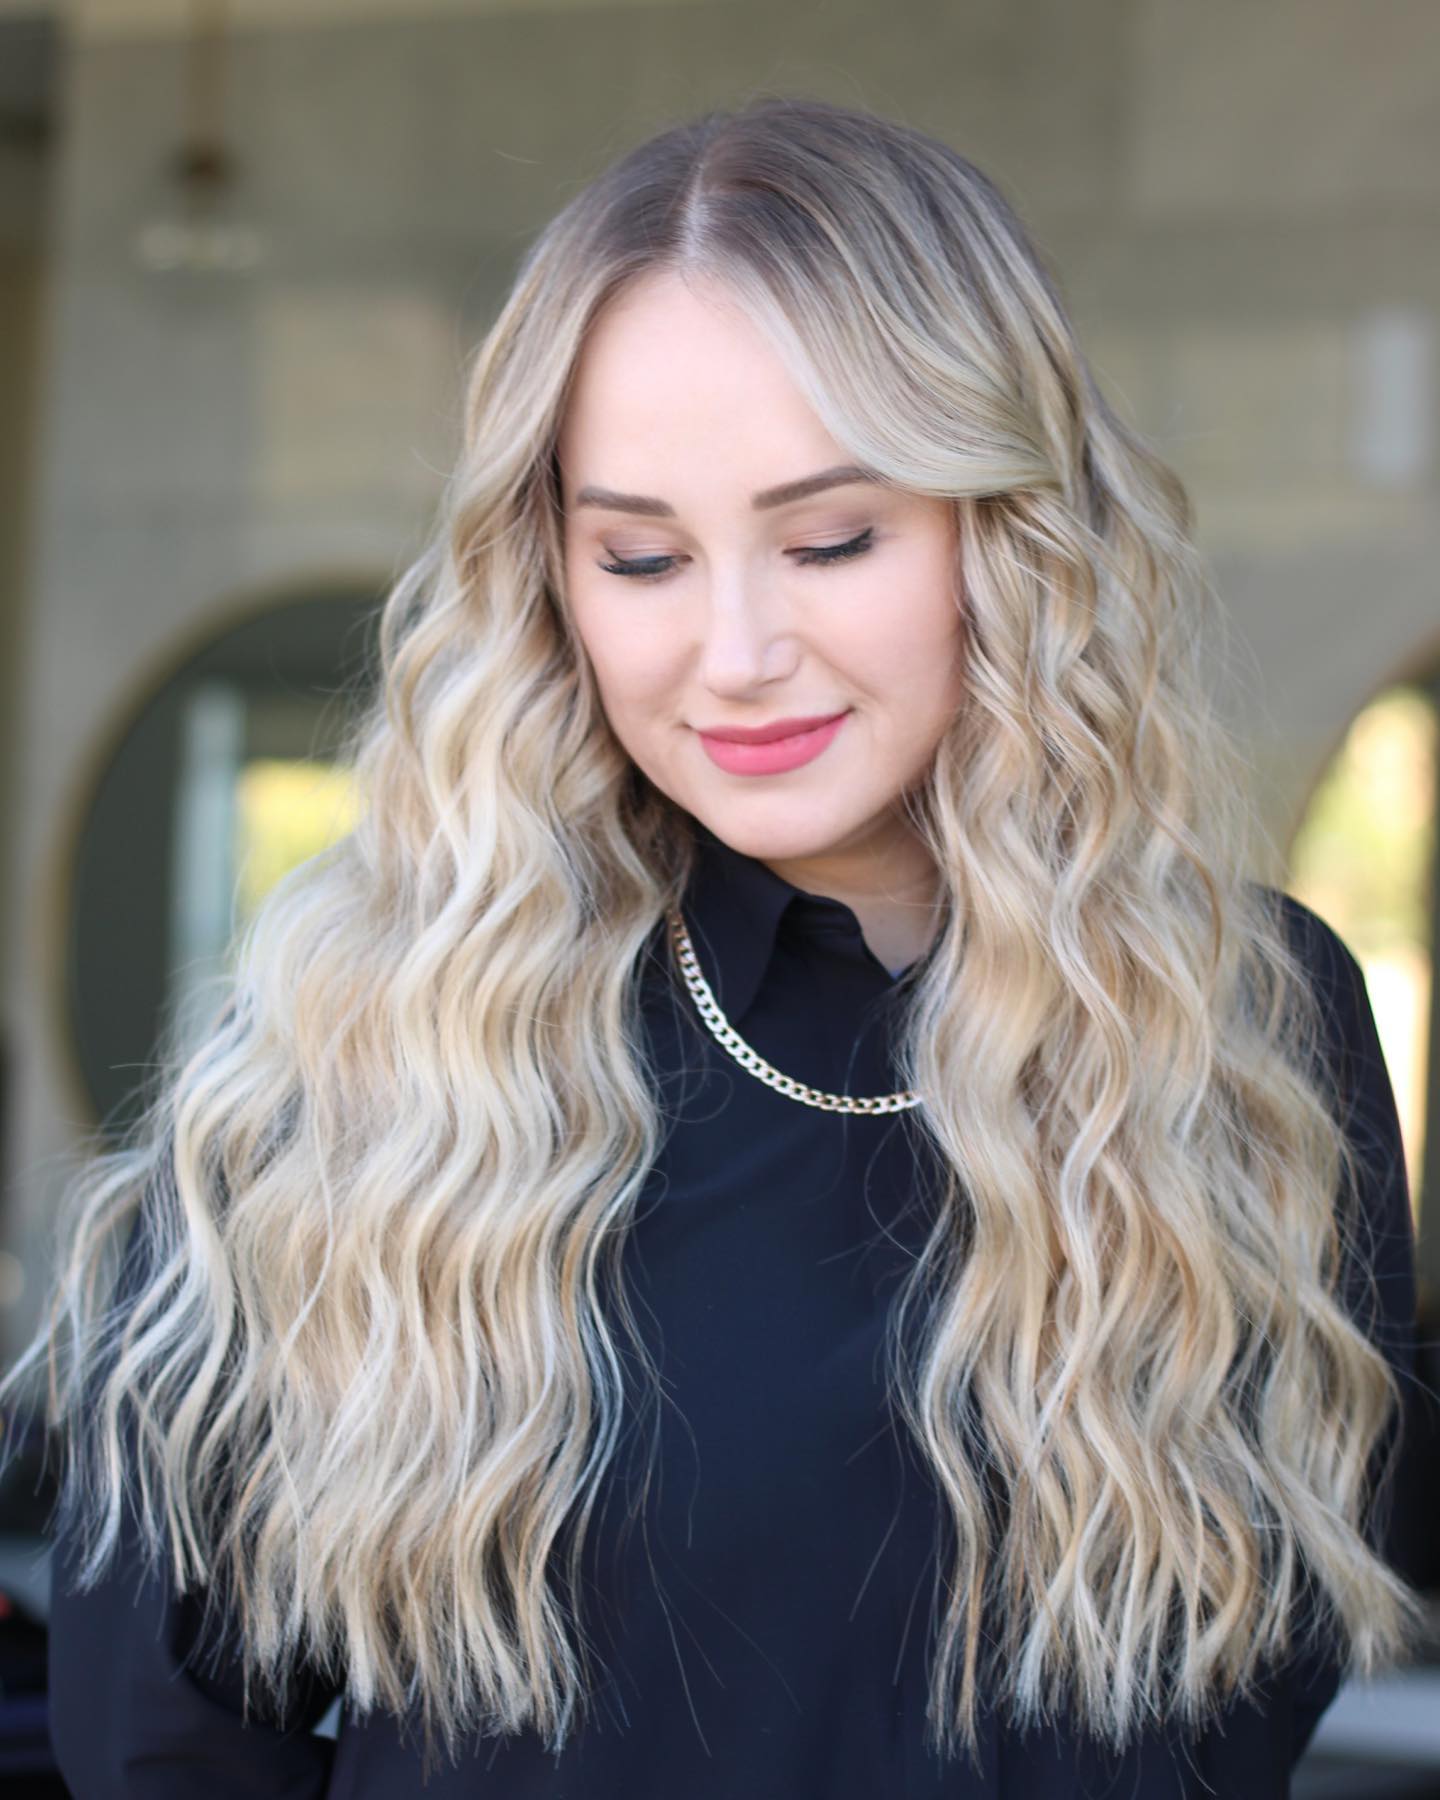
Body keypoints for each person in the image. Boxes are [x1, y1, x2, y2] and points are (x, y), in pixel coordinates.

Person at [1, 95, 1426, 1799]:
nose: (735, 651)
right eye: (642, 556)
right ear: (551, 576)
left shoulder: (1254, 1026)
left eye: (830, 540)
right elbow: (159, 1738)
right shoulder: (375, 1042)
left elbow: (1252, 1683)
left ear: (1010, 528)